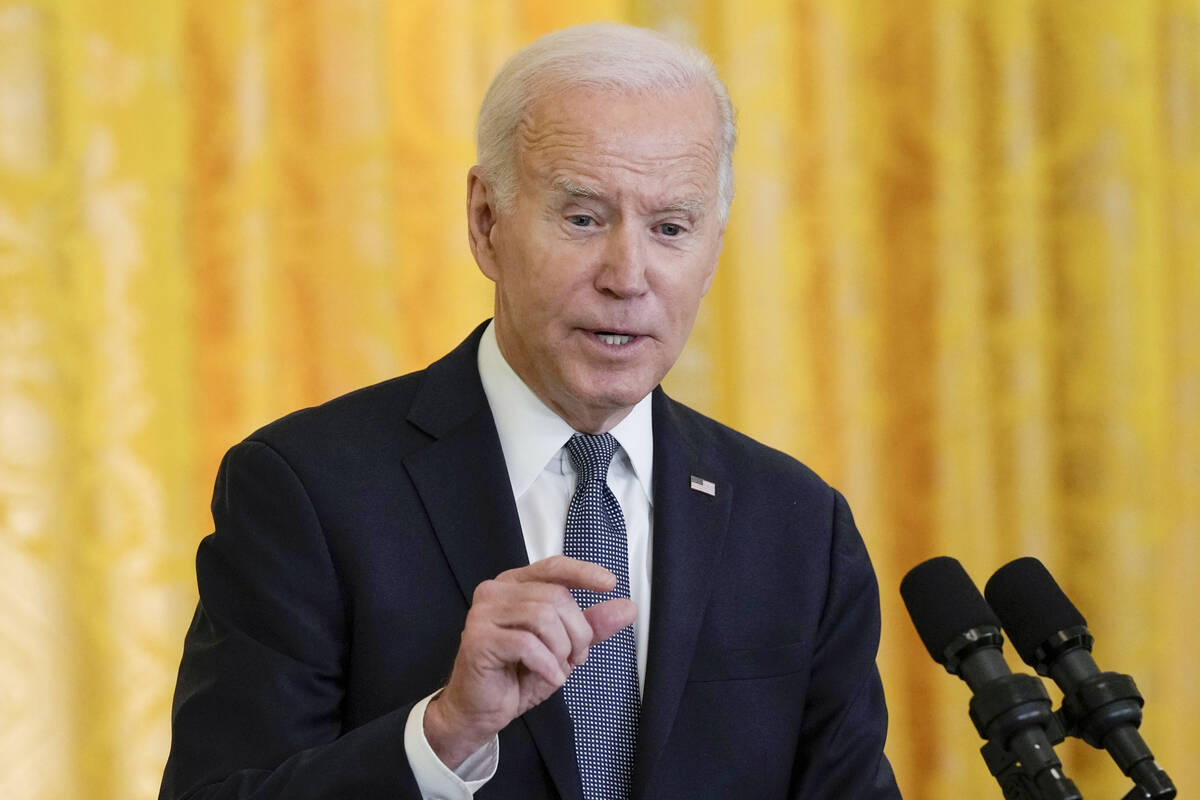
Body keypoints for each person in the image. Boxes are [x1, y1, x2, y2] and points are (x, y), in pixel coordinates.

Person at [160, 22, 900, 800]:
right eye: (582, 218)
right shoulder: (307, 491)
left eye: (670, 228)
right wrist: (443, 735)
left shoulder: (797, 526)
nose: (628, 275)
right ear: (486, 222)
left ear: (713, 249)